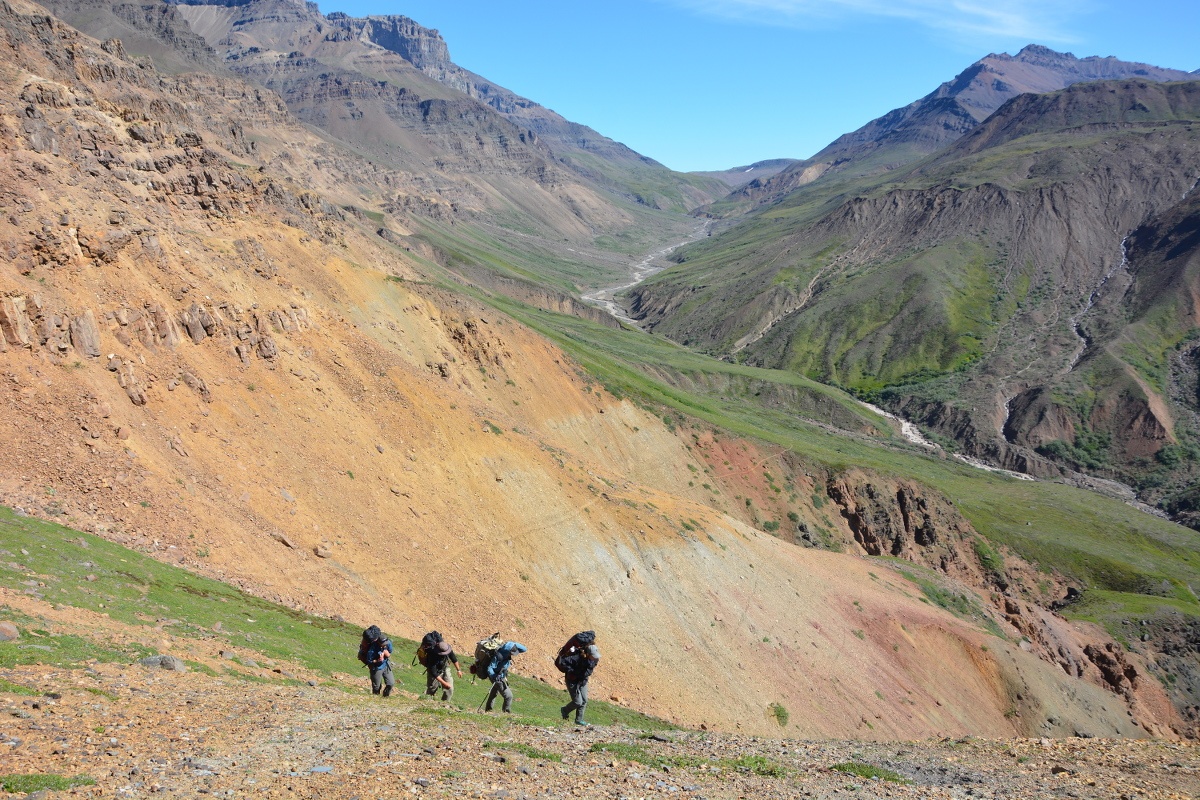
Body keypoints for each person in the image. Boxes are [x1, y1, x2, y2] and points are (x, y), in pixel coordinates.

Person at [557, 631, 599, 726]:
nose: (595, 658)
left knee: (584, 701)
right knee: (577, 702)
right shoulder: (577, 657)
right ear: (588, 654)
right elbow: (562, 662)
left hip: (582, 681)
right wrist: (572, 671)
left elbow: (589, 669)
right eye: (593, 656)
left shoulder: (594, 659)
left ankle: (579, 720)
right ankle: (564, 710)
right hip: (572, 680)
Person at [484, 640, 527, 713]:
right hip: (497, 677)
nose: (513, 654)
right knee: (508, 696)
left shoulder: (509, 651)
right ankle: (506, 713)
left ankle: (488, 710)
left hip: (501, 676)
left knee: (494, 692)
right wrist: (494, 676)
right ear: (508, 650)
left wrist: (513, 644)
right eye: (512, 652)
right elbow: (490, 668)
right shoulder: (499, 656)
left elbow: (524, 649)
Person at [357, 625, 394, 697]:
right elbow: (369, 660)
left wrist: (387, 654)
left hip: (385, 665)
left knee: (390, 683)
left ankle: (385, 697)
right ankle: (376, 698)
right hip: (376, 668)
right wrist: (377, 661)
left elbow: (390, 651)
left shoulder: (386, 641)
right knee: (376, 687)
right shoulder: (371, 649)